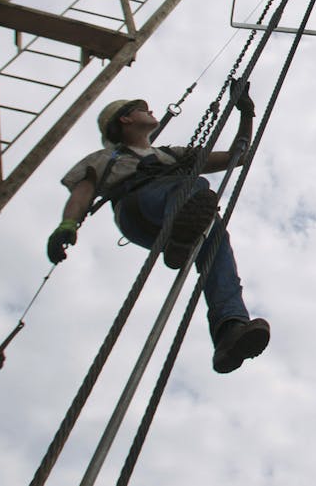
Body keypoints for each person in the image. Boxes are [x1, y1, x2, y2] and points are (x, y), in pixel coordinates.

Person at [47, 92, 270, 374]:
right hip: (137, 208)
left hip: (176, 210)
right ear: (126, 118)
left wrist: (246, 114)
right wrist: (66, 225)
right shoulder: (104, 158)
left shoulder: (169, 155)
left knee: (216, 240)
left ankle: (230, 329)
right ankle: (180, 234)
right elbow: (83, 193)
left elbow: (236, 156)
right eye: (142, 109)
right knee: (193, 188)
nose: (150, 111)